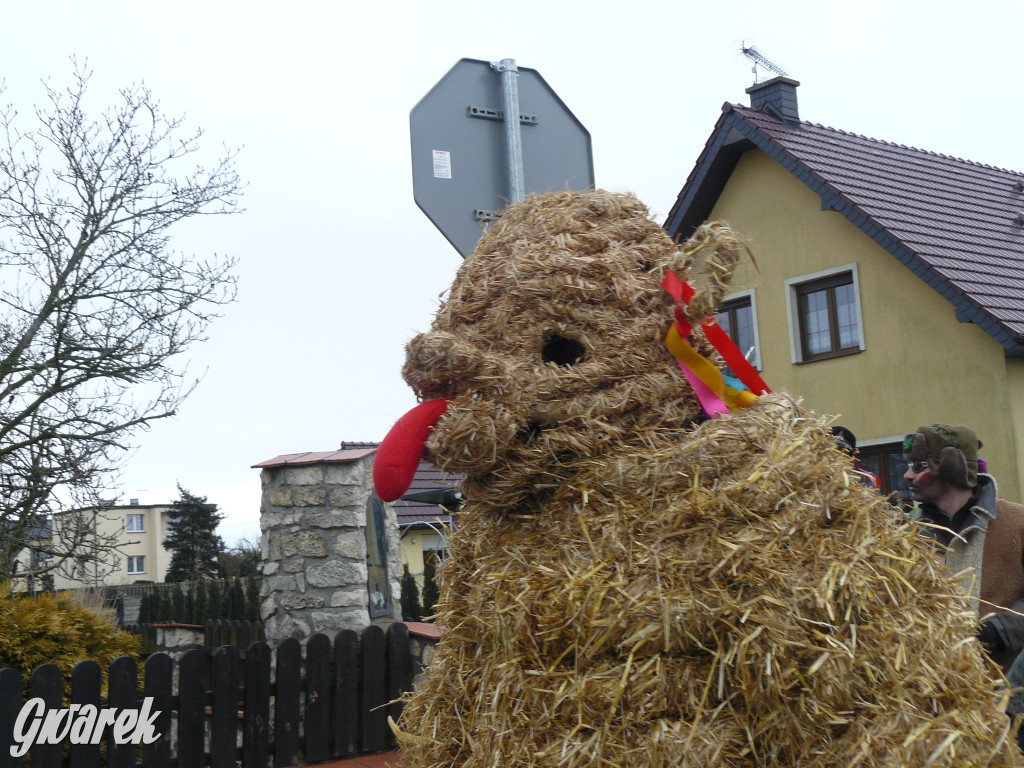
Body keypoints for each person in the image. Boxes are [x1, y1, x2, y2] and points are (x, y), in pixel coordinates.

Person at [903, 424, 1024, 671]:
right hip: (934, 697)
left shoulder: (1018, 523)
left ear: (950, 468)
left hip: (1007, 697)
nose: (907, 476)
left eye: (918, 467)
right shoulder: (905, 538)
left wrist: (1000, 630)